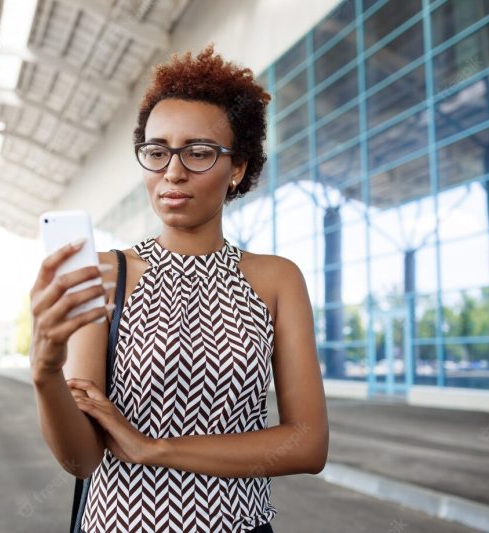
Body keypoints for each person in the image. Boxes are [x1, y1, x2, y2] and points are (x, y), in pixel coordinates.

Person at [29, 44, 328, 532]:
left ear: (237, 168)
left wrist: (156, 449)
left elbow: (308, 444)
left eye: (199, 152)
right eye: (157, 151)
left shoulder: (276, 279)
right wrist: (44, 374)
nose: (173, 171)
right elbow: (82, 461)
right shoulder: (105, 273)